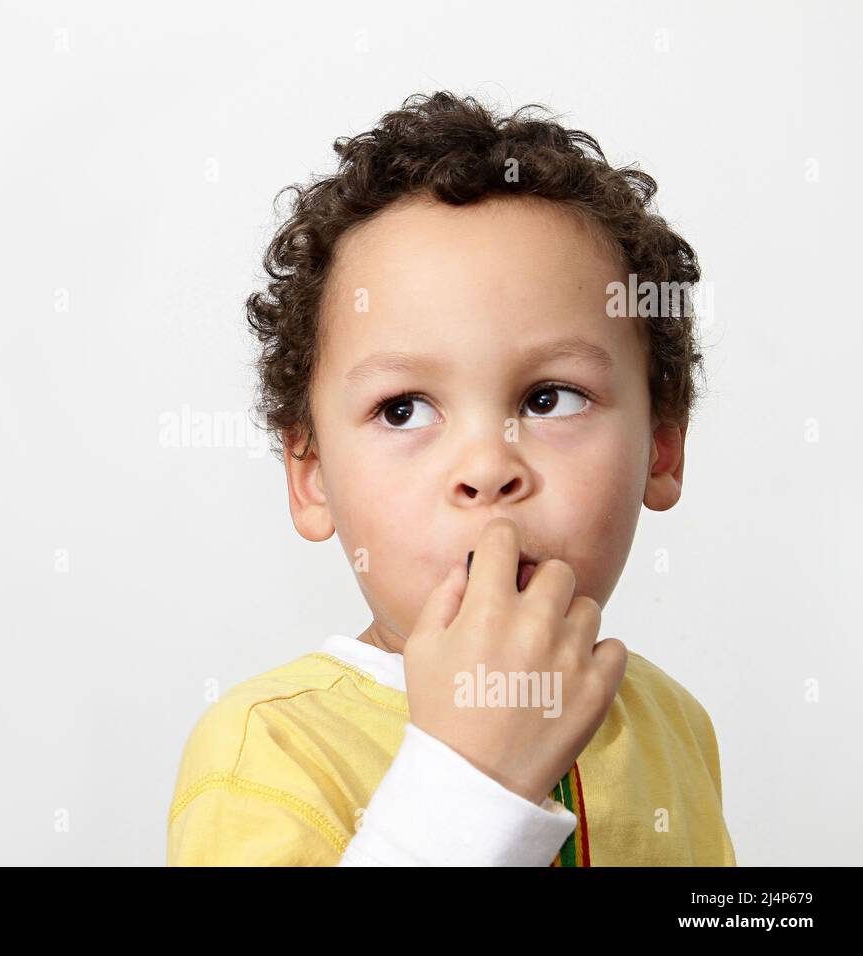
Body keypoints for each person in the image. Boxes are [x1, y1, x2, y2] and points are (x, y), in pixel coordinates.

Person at [167, 91, 735, 866]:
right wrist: (471, 784)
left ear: (662, 446)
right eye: (403, 410)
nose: (488, 468)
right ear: (312, 475)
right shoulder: (268, 752)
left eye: (549, 398)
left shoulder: (675, 727)